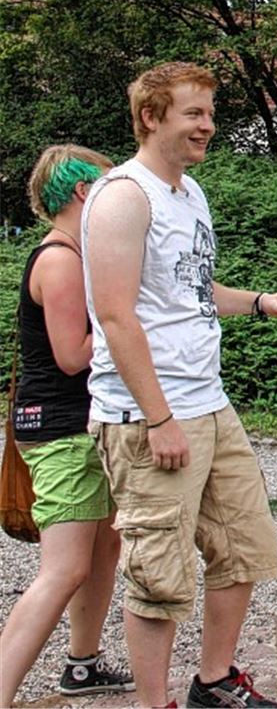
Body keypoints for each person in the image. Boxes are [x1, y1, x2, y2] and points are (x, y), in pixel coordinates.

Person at [82, 62, 277, 709]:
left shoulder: (189, 193)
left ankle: (214, 681)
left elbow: (190, 291)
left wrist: (258, 300)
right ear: (152, 117)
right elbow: (116, 314)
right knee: (158, 569)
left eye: (209, 111)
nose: (208, 124)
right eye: (193, 112)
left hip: (209, 401)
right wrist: (159, 418)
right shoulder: (125, 195)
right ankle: (157, 703)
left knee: (244, 544)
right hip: (150, 412)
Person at [0, 146, 134, 706]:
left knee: (103, 550)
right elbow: (72, 355)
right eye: (106, 188)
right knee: (64, 568)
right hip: (59, 430)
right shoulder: (58, 260)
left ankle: (82, 664)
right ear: (84, 193)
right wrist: (126, 321)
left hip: (81, 423)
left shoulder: (77, 255)